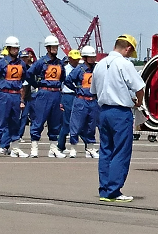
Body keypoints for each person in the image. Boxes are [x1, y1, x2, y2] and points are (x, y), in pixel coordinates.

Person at [90, 34, 145, 202]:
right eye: (130, 52)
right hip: (120, 112)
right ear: (127, 48)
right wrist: (139, 102)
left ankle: (104, 189)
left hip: (104, 111)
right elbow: (139, 87)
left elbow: (93, 91)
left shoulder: (99, 65)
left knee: (106, 151)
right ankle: (114, 190)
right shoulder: (124, 64)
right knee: (121, 151)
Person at [0, 36, 28, 158]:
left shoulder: (22, 64)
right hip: (4, 94)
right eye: (13, 48)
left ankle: (15, 148)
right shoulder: (2, 63)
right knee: (1, 121)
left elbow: (24, 78)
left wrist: (20, 95)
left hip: (15, 94)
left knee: (15, 122)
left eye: (17, 48)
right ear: (8, 48)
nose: (15, 50)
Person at [26, 35, 66, 158]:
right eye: (52, 47)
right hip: (44, 92)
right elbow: (29, 74)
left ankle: (53, 148)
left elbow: (63, 78)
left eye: (56, 47)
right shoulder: (41, 62)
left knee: (55, 122)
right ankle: (34, 147)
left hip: (56, 93)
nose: (55, 49)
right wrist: (36, 84)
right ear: (47, 48)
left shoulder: (60, 63)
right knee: (39, 120)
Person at [64, 46, 99, 158]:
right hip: (81, 100)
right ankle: (73, 148)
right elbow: (68, 80)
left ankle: (90, 148)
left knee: (91, 125)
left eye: (94, 57)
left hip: (93, 101)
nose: (93, 59)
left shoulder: (97, 69)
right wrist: (76, 90)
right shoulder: (79, 69)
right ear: (85, 58)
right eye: (91, 57)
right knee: (76, 125)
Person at [57, 49, 81, 153]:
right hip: (67, 96)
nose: (76, 61)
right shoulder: (65, 69)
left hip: (77, 96)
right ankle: (60, 145)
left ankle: (87, 145)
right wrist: (61, 100)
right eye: (74, 59)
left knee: (79, 122)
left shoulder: (80, 69)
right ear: (69, 59)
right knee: (66, 123)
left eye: (78, 59)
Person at [17, 49, 36, 142]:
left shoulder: (31, 68)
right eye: (22, 58)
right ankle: (16, 135)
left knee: (28, 117)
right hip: (18, 95)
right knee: (18, 116)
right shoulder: (17, 67)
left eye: (26, 57)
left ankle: (23, 134)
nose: (24, 59)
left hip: (30, 95)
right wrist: (21, 100)